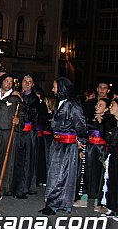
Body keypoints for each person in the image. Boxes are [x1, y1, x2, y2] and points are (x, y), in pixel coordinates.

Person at [40, 77, 87, 215]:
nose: (52, 89)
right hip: (57, 143)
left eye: (54, 87)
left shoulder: (73, 105)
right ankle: (55, 202)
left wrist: (82, 141)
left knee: (61, 174)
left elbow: (80, 124)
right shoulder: (60, 103)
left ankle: (54, 204)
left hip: (67, 145)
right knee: (54, 173)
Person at [0, 73, 23, 198]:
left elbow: (21, 114)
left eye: (11, 82)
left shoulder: (15, 98)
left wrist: (18, 121)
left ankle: (4, 187)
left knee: (6, 160)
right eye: (6, 81)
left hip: (8, 131)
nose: (8, 84)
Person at [12, 73, 39, 199]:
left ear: (33, 85)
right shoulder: (16, 94)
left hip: (28, 134)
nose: (27, 84)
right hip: (17, 132)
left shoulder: (34, 98)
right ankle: (13, 186)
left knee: (26, 162)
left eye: (30, 81)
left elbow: (29, 115)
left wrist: (21, 101)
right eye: (24, 81)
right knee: (15, 160)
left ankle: (22, 189)